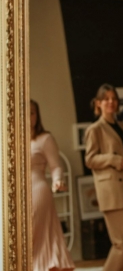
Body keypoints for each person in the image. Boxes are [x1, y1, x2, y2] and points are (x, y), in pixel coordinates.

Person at [85, 84, 123, 271]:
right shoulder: (95, 129)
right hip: (112, 191)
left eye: (114, 98)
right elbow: (90, 159)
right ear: (98, 103)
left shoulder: (122, 126)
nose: (111, 102)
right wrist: (113, 159)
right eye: (106, 98)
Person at [30, 100, 75, 271]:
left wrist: (58, 180)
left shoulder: (45, 139)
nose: (28, 117)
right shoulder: (10, 141)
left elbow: (55, 166)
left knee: (32, 233)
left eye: (32, 112)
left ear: (37, 116)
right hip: (12, 195)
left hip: (37, 191)